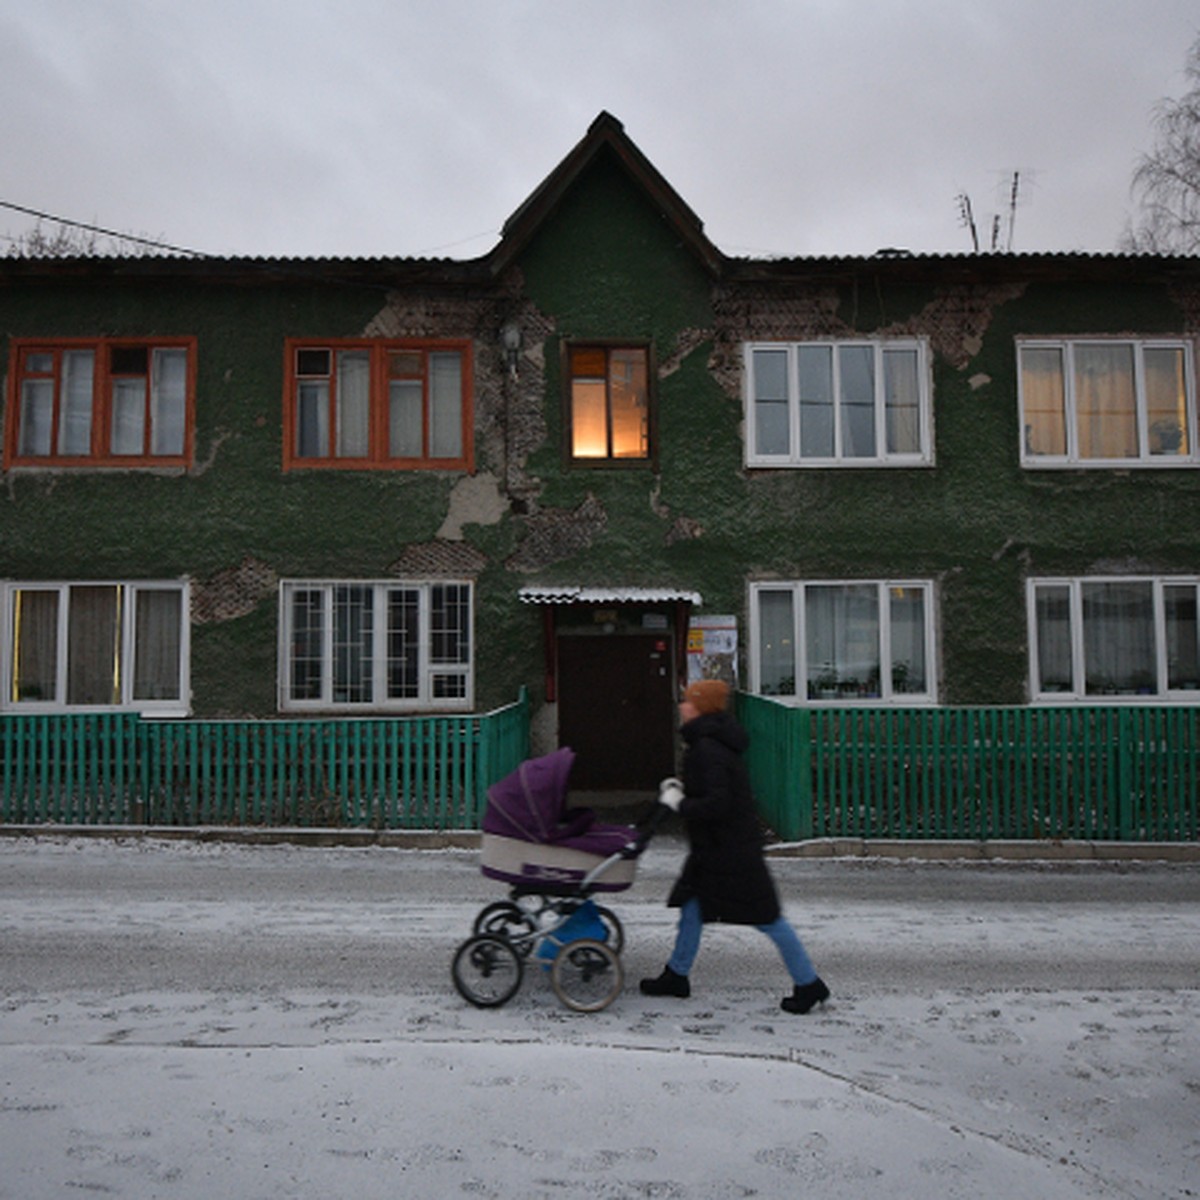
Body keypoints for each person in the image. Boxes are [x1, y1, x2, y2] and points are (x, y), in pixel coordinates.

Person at [639, 678, 830, 1014]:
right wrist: (683, 792)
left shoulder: (708, 749)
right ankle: (676, 974)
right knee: (692, 907)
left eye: (687, 702)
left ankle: (809, 983)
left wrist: (679, 803)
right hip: (716, 849)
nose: (682, 706)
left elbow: (717, 803)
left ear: (700, 708)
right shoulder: (707, 743)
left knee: (768, 918)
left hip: (730, 852)